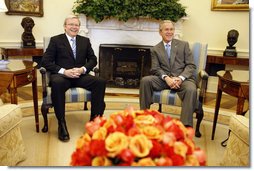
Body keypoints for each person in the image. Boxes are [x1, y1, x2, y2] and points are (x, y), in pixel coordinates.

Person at [41, 15, 106, 142]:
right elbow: (46, 61)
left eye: (76, 25)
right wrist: (64, 71)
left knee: (100, 82)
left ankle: (94, 121)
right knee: (57, 83)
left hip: (79, 76)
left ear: (79, 27)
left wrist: (83, 69)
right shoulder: (55, 40)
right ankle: (62, 124)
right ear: (65, 26)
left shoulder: (85, 41)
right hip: (62, 76)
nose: (74, 27)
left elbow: (93, 59)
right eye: (71, 24)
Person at [139, 20, 197, 127]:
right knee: (145, 81)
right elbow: (155, 68)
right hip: (164, 80)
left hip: (183, 79)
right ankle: (144, 118)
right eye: (166, 29)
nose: (169, 32)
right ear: (160, 32)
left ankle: (185, 126)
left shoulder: (183, 45)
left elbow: (191, 65)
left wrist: (180, 78)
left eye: (171, 29)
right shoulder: (155, 49)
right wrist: (166, 78)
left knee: (191, 89)